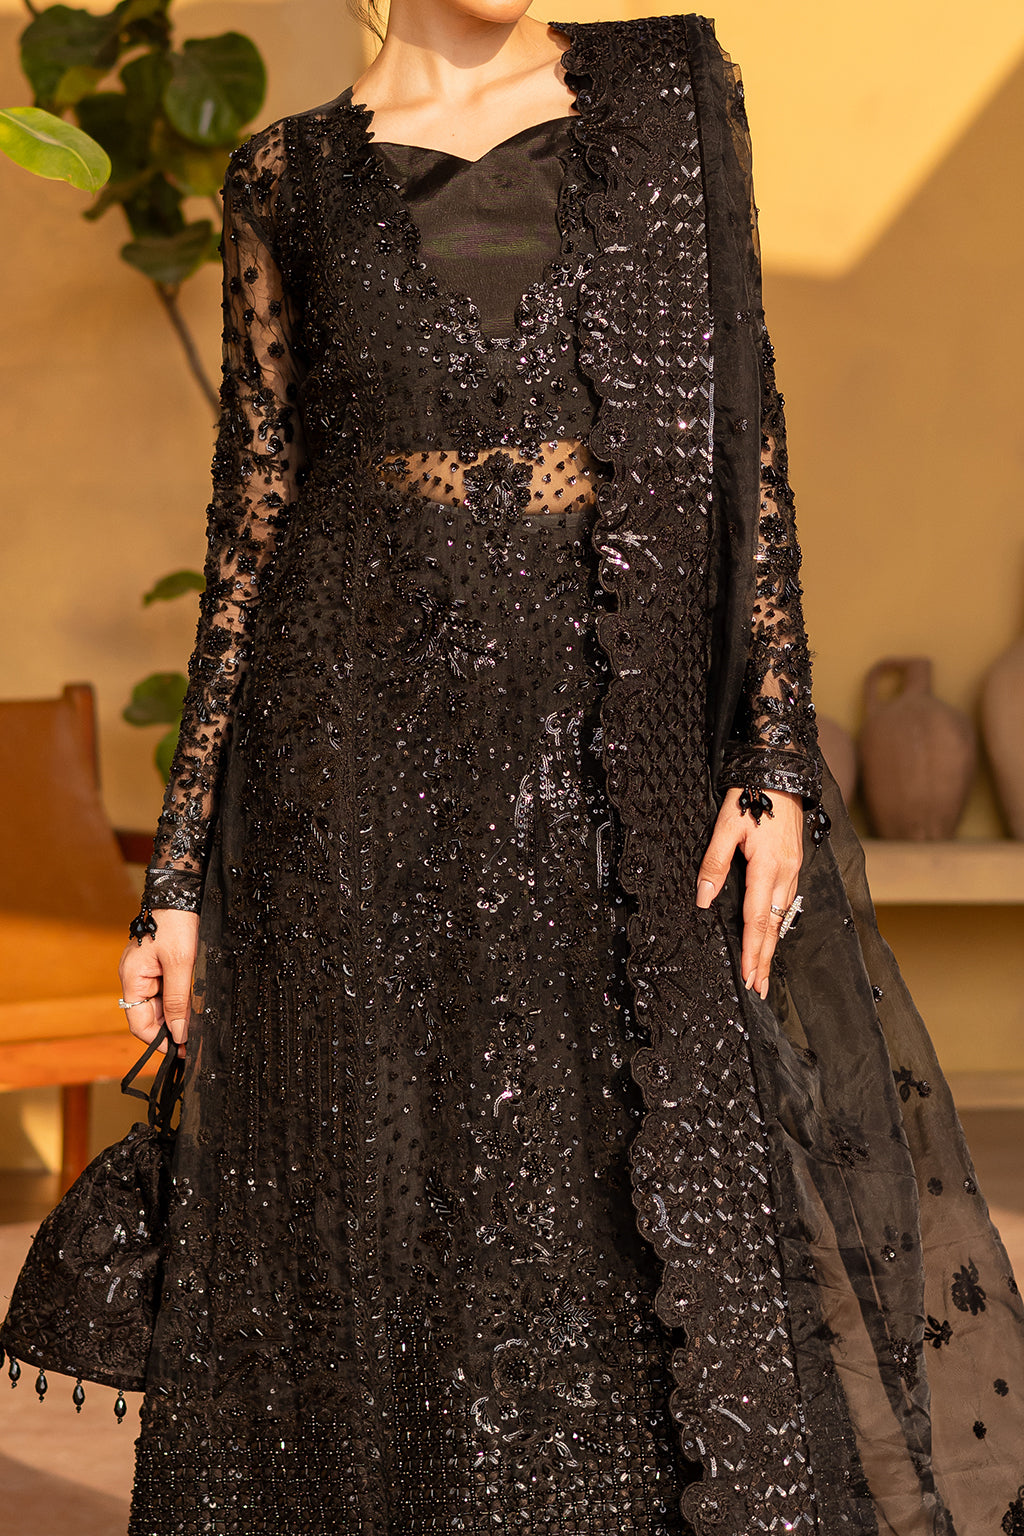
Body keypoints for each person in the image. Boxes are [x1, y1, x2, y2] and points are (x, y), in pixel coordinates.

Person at [62, 4, 1024, 1531]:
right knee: (389, 1232)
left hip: (612, 756)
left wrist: (775, 746)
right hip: (350, 780)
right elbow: (255, 529)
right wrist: (178, 874)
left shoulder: (665, 93)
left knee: (649, 1237)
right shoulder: (285, 180)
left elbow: (746, 438)